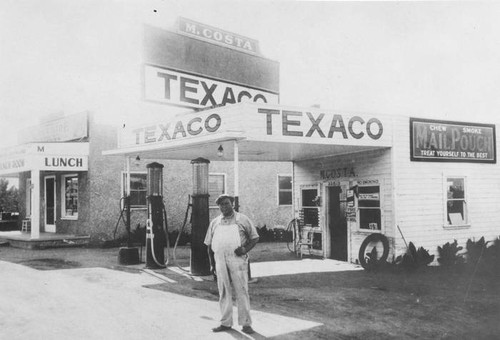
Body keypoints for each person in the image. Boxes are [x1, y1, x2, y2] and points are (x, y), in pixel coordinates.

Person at [204, 194, 259, 335]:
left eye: (227, 203)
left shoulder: (242, 219)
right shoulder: (215, 222)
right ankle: (225, 322)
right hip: (220, 260)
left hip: (237, 260)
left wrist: (245, 249)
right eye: (221, 204)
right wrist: (212, 264)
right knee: (223, 291)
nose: (224, 207)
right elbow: (209, 245)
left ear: (232, 204)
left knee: (242, 291)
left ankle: (246, 324)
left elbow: (254, 237)